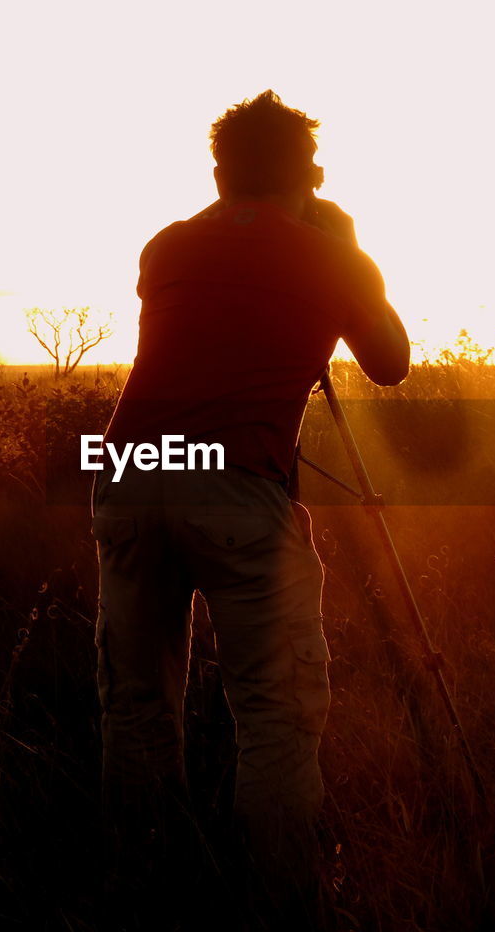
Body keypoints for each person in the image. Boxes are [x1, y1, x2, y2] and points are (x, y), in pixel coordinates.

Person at [91, 90, 409, 929]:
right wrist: (348, 249)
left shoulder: (165, 248)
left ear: (219, 171)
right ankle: (279, 902)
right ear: (308, 173)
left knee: (135, 702)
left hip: (125, 468)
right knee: (274, 709)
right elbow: (390, 363)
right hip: (235, 479)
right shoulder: (332, 253)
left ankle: (143, 884)